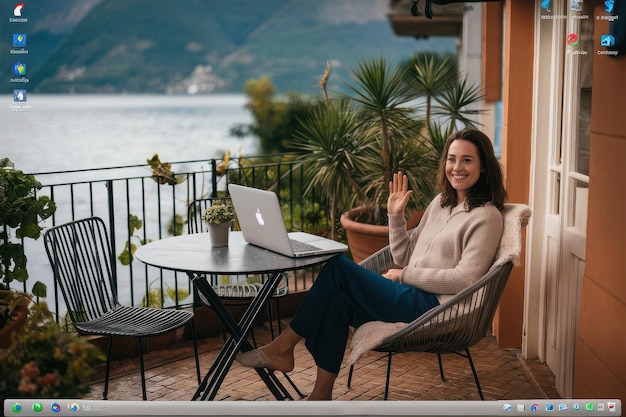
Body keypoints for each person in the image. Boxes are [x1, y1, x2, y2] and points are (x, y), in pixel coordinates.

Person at [236, 128, 507, 400]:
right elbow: (402, 256)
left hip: (436, 307)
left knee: (336, 267)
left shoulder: (486, 217)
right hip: (411, 295)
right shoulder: (440, 203)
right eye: (452, 159)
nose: (457, 167)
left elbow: (466, 280)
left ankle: (282, 348)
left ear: (483, 167)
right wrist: (395, 216)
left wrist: (405, 276)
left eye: (467, 160)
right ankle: (321, 395)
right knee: (338, 302)